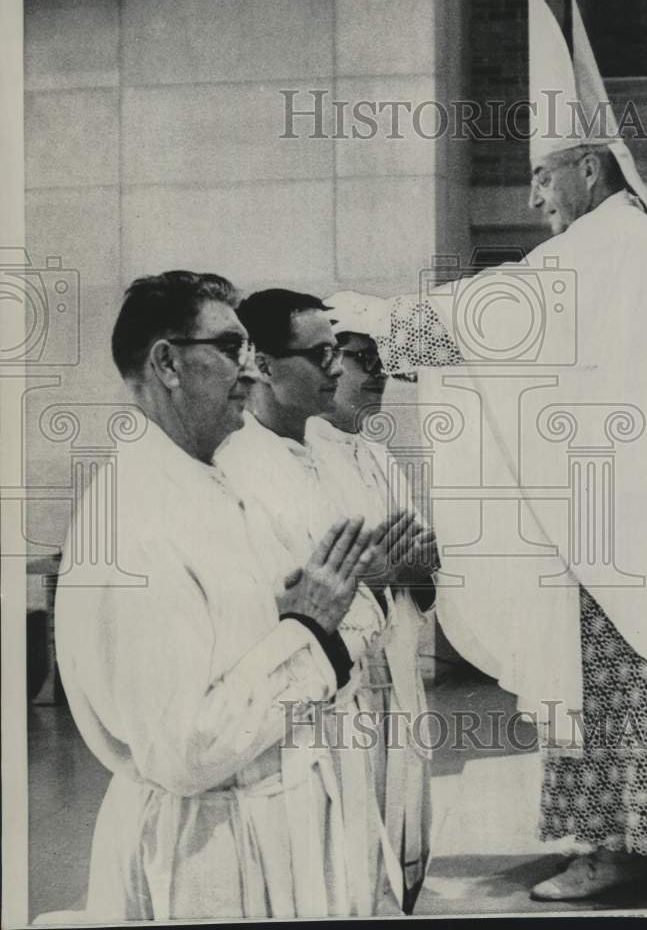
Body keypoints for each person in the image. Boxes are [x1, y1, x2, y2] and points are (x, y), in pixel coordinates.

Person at [325, 0, 647, 901]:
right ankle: (637, 843)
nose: (536, 194)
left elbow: (496, 315)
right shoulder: (629, 244)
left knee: (604, 676)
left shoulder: (610, 245)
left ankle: (615, 851)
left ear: (591, 168)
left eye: (546, 176)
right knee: (620, 676)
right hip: (621, 512)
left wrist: (368, 322)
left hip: (611, 529)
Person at [54, 271, 382, 921]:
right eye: (232, 349)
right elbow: (184, 748)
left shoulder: (211, 478)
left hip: (267, 820)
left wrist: (299, 623)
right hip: (206, 855)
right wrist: (309, 635)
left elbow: (258, 643)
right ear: (167, 363)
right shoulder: (134, 522)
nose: (250, 371)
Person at [215, 289, 427, 915]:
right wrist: (374, 580)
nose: (338, 369)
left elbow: (370, 568)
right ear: (263, 365)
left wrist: (402, 572)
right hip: (295, 712)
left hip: (362, 687)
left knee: (369, 854)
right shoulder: (241, 466)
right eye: (324, 354)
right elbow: (279, 607)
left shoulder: (324, 452)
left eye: (342, 354)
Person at [308, 328, 440, 911]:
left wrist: (413, 565)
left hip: (400, 659)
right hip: (348, 676)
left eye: (384, 360)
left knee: (406, 798)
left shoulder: (379, 453)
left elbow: (415, 557)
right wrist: (378, 570)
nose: (379, 372)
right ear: (327, 365)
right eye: (364, 359)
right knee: (354, 828)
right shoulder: (302, 454)